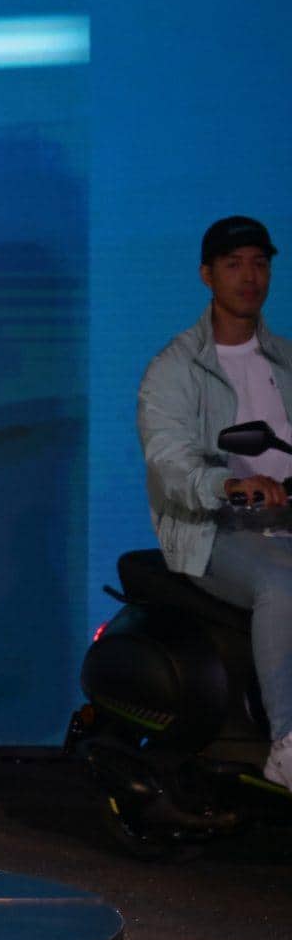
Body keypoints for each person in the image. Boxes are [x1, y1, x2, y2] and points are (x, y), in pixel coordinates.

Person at [138, 214, 292, 791]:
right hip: (214, 528)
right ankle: (286, 743)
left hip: (285, 522)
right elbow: (169, 459)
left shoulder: (287, 360)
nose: (249, 276)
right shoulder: (176, 367)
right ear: (207, 275)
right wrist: (225, 485)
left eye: (259, 263)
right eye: (233, 265)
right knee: (283, 585)